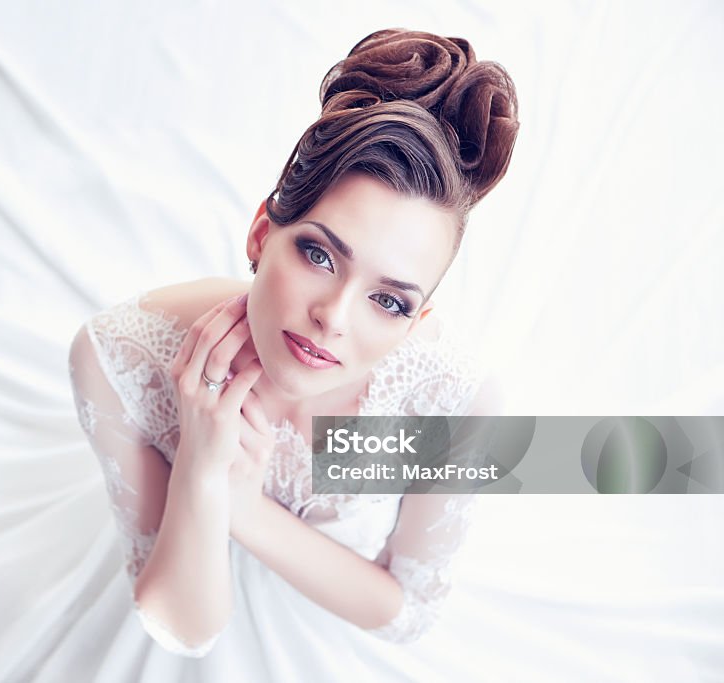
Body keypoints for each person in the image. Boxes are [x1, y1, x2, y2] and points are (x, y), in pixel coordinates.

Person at [57, 28, 519, 681]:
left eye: (388, 301)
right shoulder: (117, 360)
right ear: (261, 230)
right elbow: (183, 628)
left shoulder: (453, 394)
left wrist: (245, 505)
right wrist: (199, 466)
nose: (332, 316)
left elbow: (410, 607)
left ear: (419, 320)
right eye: (319, 254)